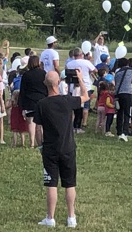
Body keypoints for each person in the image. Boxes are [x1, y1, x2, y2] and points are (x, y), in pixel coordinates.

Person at [34, 69, 89, 228]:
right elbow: (85, 97)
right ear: (58, 83)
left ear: (45, 84)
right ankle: (71, 217)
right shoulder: (67, 100)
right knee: (69, 184)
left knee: (51, 184)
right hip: (68, 147)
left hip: (50, 149)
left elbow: (38, 129)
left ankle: (50, 218)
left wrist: (41, 145)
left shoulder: (42, 104)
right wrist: (80, 79)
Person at [19, 55, 48, 148]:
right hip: (42, 100)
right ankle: (42, 142)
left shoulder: (26, 75)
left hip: (29, 101)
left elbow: (22, 90)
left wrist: (21, 105)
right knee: (40, 124)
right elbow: (47, 87)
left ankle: (32, 142)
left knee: (31, 122)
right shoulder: (44, 73)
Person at [67, 47, 97, 131]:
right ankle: (81, 124)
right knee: (84, 107)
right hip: (85, 86)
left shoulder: (70, 63)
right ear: (81, 55)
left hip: (73, 87)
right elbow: (95, 70)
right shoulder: (86, 62)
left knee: (74, 107)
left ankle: (73, 125)